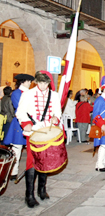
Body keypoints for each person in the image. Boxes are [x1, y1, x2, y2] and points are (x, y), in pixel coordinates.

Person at [16, 71, 62, 208]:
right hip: (34, 132)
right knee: (32, 162)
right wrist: (26, 123)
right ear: (36, 82)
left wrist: (56, 118)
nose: (43, 85)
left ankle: (42, 189)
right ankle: (29, 195)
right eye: (41, 82)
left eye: (46, 83)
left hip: (48, 132)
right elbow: (20, 111)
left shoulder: (54, 95)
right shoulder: (28, 94)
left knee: (45, 160)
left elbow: (57, 111)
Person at [4, 73, 34, 181]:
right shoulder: (16, 93)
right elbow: (19, 107)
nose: (30, 83)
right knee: (17, 149)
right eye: (29, 81)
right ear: (23, 82)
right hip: (19, 123)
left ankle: (31, 169)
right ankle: (13, 172)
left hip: (32, 123)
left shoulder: (31, 93)